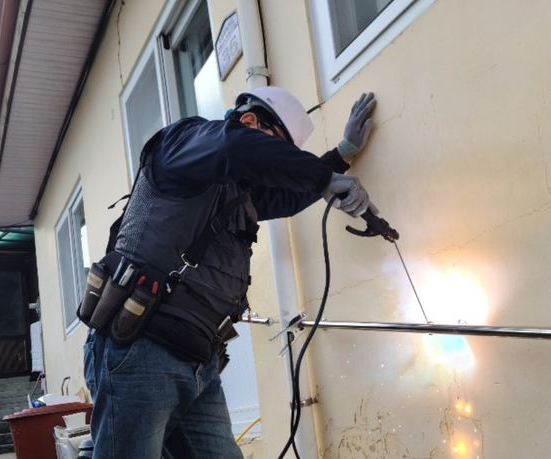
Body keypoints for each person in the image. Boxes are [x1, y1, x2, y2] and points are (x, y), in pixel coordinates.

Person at [81, 87, 377, 458]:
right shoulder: (183, 143)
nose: (275, 165)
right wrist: (320, 176)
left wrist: (341, 156)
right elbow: (236, 147)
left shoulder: (238, 194)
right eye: (276, 146)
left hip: (199, 361)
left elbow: (288, 197)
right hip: (141, 348)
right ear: (249, 121)